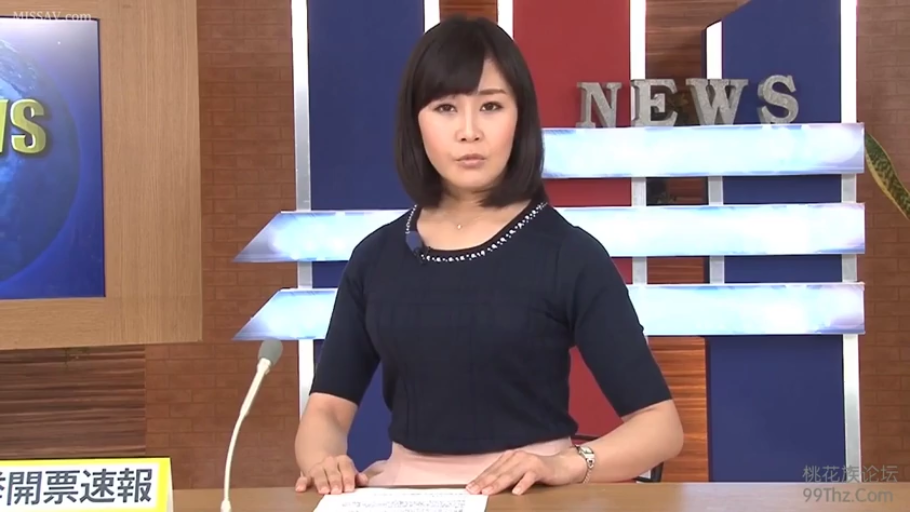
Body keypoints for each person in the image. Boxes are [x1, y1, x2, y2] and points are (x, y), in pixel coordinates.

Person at [294, 15, 683, 496]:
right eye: (445, 108)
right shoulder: (375, 258)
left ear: (520, 119)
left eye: (491, 106)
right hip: (407, 494)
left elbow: (659, 427)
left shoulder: (569, 254)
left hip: (530, 496)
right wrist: (325, 462)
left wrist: (566, 464)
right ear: (415, 123)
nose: (469, 131)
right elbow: (327, 411)